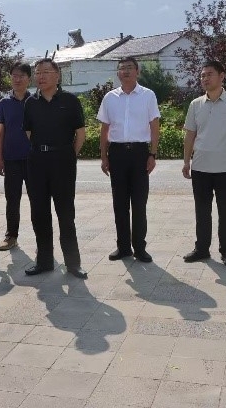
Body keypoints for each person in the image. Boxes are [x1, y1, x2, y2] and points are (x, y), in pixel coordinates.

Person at [23, 58, 88, 279]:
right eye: (37, 73)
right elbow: (29, 133)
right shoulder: (30, 103)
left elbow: (80, 134)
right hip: (37, 161)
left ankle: (73, 264)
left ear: (57, 75)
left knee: (66, 213)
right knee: (39, 213)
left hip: (63, 161)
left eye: (45, 72)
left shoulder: (70, 100)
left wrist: (67, 154)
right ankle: (44, 261)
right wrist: (43, 150)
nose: (40, 77)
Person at [182, 60, 226, 267]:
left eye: (209, 74)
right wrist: (186, 161)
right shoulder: (195, 104)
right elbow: (190, 134)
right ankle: (201, 249)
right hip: (200, 167)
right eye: (202, 75)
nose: (205, 78)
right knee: (202, 211)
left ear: (222, 76)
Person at [97, 56, 161, 263]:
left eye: (129, 67)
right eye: (122, 68)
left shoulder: (148, 95)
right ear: (118, 73)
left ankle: (140, 248)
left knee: (139, 202)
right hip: (117, 154)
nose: (125, 71)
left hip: (140, 153)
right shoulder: (110, 98)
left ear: (137, 71)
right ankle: (123, 247)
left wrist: (152, 154)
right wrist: (104, 156)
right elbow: (104, 129)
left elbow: (154, 126)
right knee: (120, 203)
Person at [0, 62, 32, 251]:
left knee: (38, 199)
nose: (17, 79)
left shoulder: (36, 101)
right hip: (11, 159)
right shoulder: (3, 104)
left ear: (29, 79)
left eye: (21, 76)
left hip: (34, 160)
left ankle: (42, 239)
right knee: (12, 199)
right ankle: (11, 236)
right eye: (14, 76)